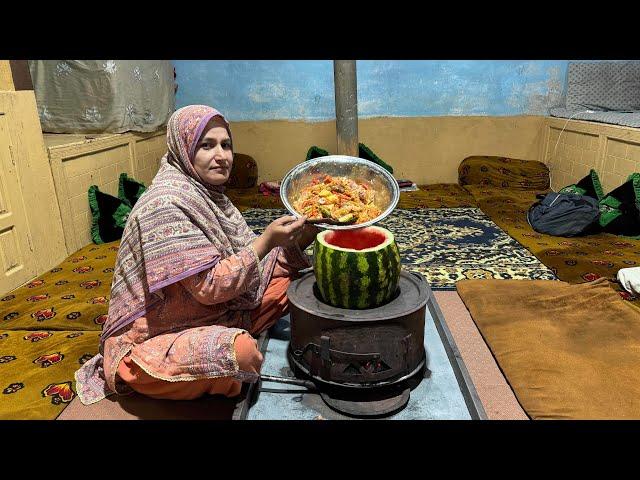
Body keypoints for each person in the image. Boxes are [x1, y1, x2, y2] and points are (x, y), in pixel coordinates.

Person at [75, 105, 318, 404]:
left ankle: (227, 334)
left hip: (211, 310)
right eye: (207, 145)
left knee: (292, 281)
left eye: (226, 145)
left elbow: (247, 260)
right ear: (184, 149)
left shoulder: (209, 195)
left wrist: (307, 232)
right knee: (241, 355)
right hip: (159, 330)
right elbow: (209, 286)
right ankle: (138, 370)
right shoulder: (166, 204)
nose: (221, 156)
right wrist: (266, 241)